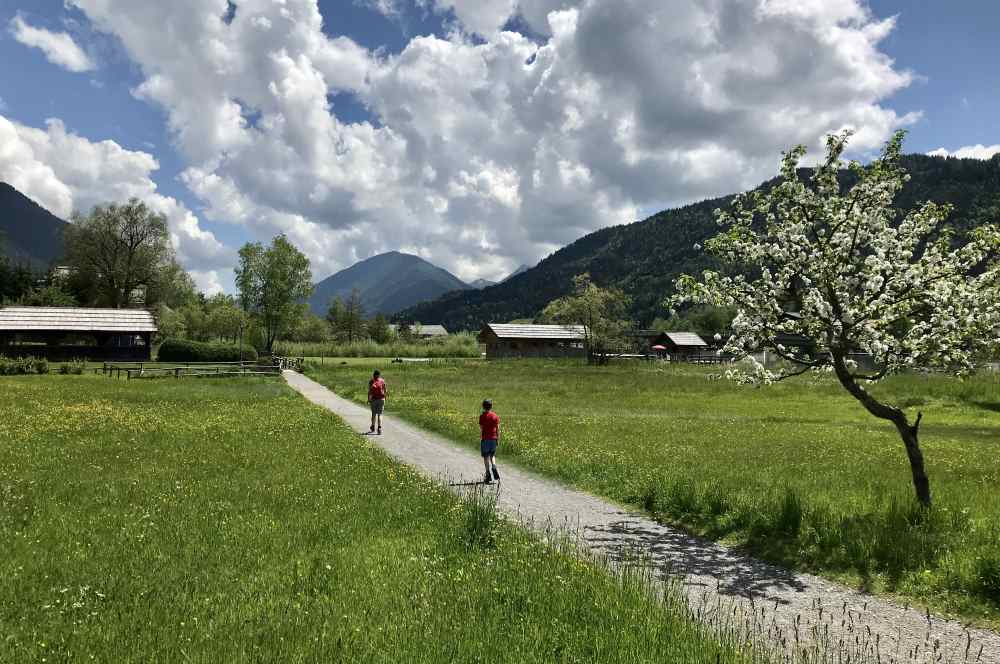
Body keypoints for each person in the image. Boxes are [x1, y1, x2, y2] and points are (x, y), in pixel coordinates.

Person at [479, 399, 500, 484]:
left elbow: (481, 428)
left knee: (486, 457)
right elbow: (498, 429)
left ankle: (488, 474)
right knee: (492, 455)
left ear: (483, 407)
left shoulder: (482, 416)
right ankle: (494, 466)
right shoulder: (495, 416)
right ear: (491, 406)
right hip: (493, 438)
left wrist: (481, 437)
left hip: (485, 439)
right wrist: (497, 438)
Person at [367, 370, 387, 434]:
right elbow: (385, 390)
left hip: (374, 399)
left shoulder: (371, 381)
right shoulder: (382, 380)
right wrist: (385, 397)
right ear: (379, 375)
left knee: (374, 414)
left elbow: (369, 391)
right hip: (381, 399)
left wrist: (369, 399)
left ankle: (373, 426)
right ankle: (379, 428)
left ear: (373, 374)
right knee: (380, 414)